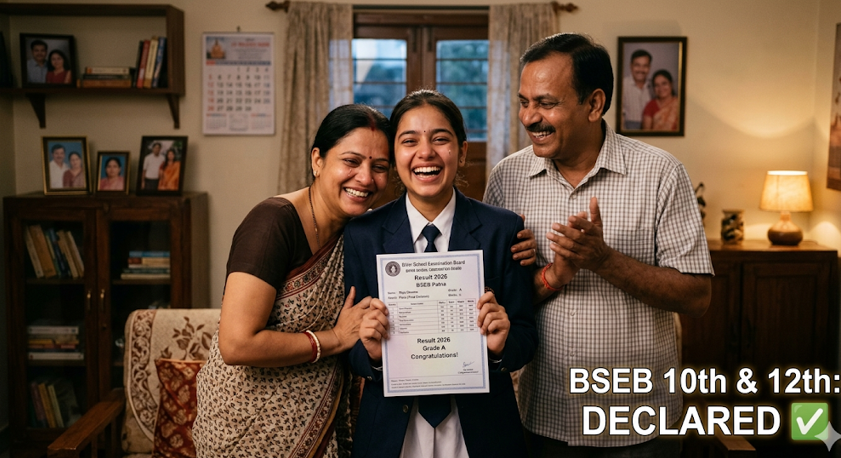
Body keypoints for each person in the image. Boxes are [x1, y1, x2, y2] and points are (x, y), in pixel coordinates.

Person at [484, 33, 712, 456]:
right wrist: (552, 276)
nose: (529, 117)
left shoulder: (661, 174)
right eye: (524, 101)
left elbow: (697, 296)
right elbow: (494, 301)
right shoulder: (506, 178)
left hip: (640, 423)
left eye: (546, 103)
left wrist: (603, 260)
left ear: (594, 104)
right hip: (543, 416)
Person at [193, 104, 393, 457]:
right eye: (351, 161)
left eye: (378, 167)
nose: (365, 178)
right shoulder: (273, 224)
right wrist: (333, 339)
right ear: (318, 160)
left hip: (322, 425)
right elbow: (236, 344)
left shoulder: (366, 231)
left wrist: (514, 243)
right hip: (245, 426)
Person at [346, 89, 537, 458]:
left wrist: (500, 347)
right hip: (391, 431)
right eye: (409, 141)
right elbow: (348, 348)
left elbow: (526, 338)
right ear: (394, 155)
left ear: (462, 151)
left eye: (440, 139)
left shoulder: (503, 229)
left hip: (482, 431)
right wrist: (370, 352)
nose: (426, 153)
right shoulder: (362, 235)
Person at [621, 49, 652, 130]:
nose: (641, 69)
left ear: (649, 67)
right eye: (637, 65)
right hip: (628, 131)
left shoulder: (653, 86)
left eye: (645, 66)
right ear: (631, 66)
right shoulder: (623, 85)